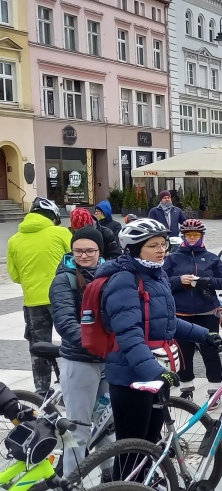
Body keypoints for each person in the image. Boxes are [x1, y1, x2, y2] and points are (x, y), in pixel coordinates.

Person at [98, 219, 219, 451]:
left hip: (154, 373)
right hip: (130, 378)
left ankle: (146, 485)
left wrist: (205, 335)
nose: (161, 249)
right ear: (133, 249)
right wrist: (155, 372)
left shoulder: (157, 276)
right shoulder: (124, 280)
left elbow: (167, 322)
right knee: (131, 450)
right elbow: (129, 334)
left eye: (163, 244)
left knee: (150, 444)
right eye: (153, 245)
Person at [48, 225, 113, 477]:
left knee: (108, 425)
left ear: (100, 251)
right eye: (78, 251)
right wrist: (93, 343)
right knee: (77, 429)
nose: (84, 255)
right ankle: (72, 479)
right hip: (80, 360)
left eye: (90, 251)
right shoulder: (63, 279)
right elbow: (65, 321)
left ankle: (110, 477)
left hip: (109, 360)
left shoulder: (110, 274)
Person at [7, 197, 72, 395]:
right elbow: (75, 260)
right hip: (62, 299)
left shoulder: (14, 240)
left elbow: (15, 275)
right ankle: (70, 384)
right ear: (52, 215)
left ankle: (42, 390)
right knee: (72, 342)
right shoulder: (61, 232)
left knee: (38, 346)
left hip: (33, 301)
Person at [162, 219, 222, 407]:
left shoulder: (211, 258)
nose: (192, 238)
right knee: (184, 354)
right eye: (189, 235)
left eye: (196, 235)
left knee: (210, 352)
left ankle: (215, 391)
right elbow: (162, 282)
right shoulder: (172, 258)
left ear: (201, 236)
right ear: (183, 236)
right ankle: (186, 389)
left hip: (207, 313)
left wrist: (206, 281)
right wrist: (179, 280)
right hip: (181, 315)